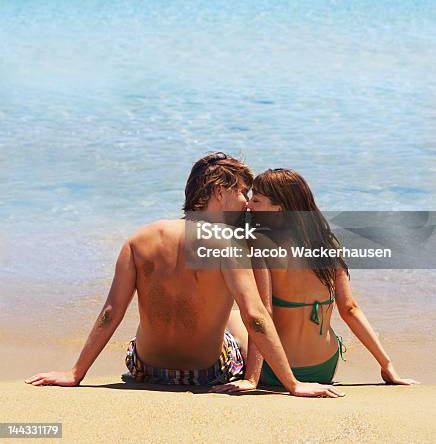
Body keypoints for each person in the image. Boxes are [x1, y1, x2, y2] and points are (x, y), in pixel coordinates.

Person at [25, 154, 343, 398]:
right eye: (243, 192)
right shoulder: (229, 244)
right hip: (204, 374)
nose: (247, 202)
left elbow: (112, 312)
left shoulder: (140, 238)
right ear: (219, 191)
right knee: (237, 316)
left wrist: (75, 372)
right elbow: (256, 315)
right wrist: (293, 384)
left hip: (144, 369)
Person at [214, 168, 418, 393]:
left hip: (277, 371)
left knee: (232, 316)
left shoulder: (260, 245)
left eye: (257, 200)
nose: (249, 206)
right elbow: (350, 309)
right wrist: (386, 365)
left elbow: (265, 313)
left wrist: (252, 378)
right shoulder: (328, 244)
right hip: (325, 367)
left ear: (280, 208)